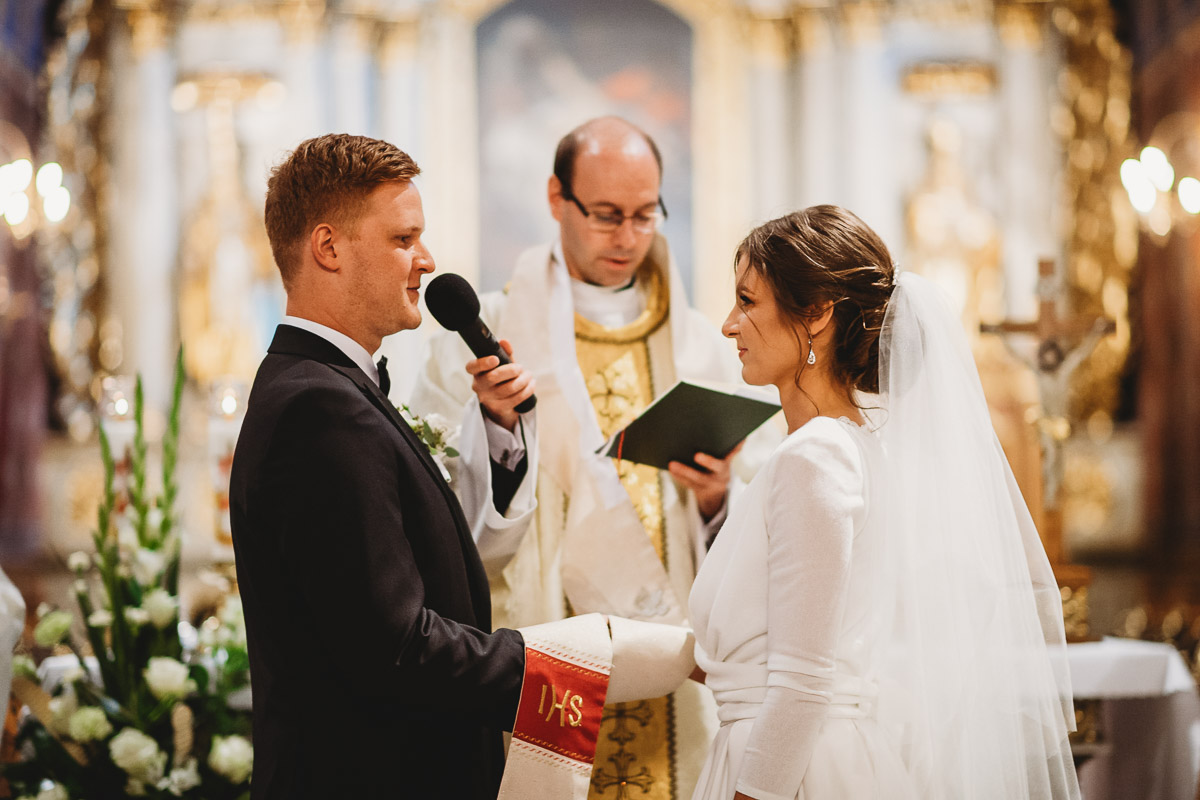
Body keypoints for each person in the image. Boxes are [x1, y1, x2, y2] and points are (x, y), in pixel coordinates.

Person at [412, 116, 772, 800]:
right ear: (556, 198)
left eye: (645, 214)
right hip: (552, 654)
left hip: (677, 675)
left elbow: (760, 524)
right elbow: (440, 522)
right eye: (607, 215)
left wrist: (718, 497)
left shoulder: (700, 346)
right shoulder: (478, 339)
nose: (628, 237)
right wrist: (494, 428)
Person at [689, 206, 1080, 800]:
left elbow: (800, 686)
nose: (728, 325)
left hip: (789, 773)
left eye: (748, 301)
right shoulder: (852, 447)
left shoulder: (814, 459)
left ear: (816, 313)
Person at [229, 134, 537, 799]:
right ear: (329, 248)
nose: (425, 260)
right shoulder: (318, 407)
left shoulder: (325, 386)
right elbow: (395, 649)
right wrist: (553, 669)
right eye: (404, 239)